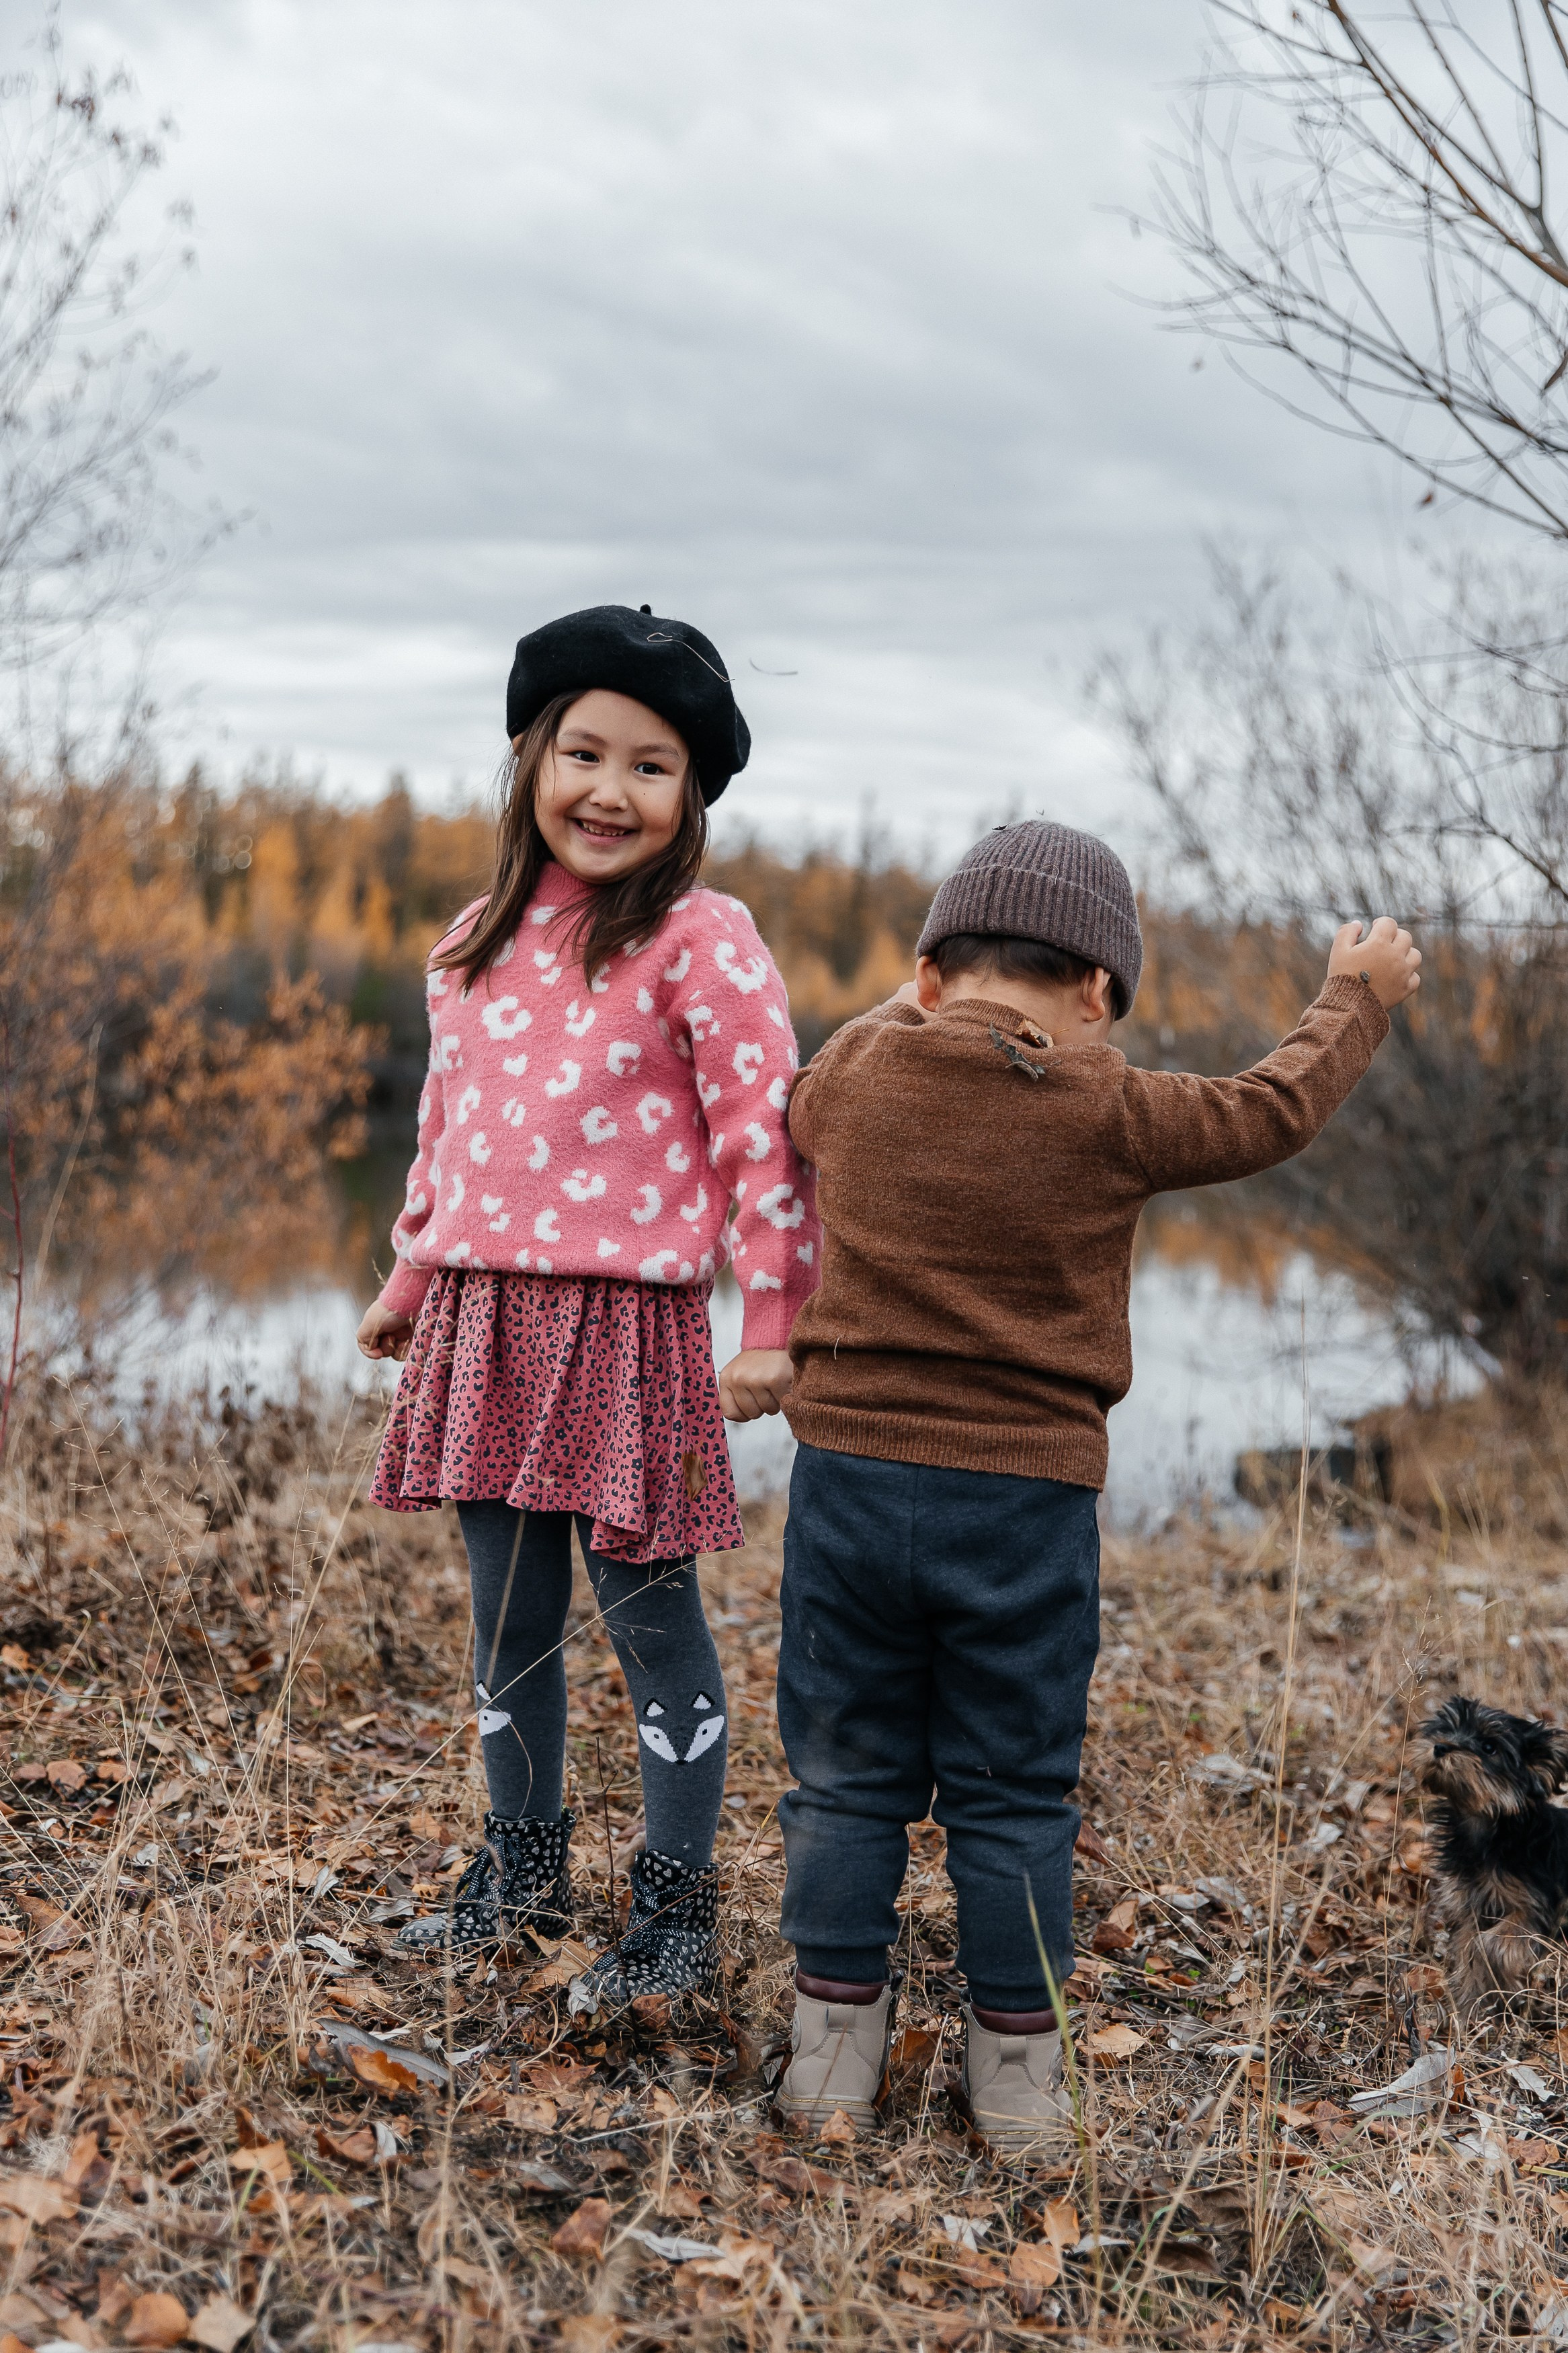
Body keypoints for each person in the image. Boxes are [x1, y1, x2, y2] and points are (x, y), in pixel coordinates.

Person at [771, 820, 1419, 2151]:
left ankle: (830, 2058)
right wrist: (1353, 998)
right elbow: (1272, 1108)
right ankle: (1017, 2078)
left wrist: (914, 1004)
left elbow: (798, 1102)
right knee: (1012, 1791)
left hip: (847, 1482)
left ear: (928, 973)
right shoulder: (1112, 1106)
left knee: (844, 1779)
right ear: (1098, 993)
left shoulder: (855, 1073)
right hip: (1022, 1500)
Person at [358, 603, 818, 2002]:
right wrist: (412, 1274)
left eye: (650, 766)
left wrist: (775, 1325)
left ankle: (676, 1913)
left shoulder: (701, 938)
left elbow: (765, 1142)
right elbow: (449, 1137)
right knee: (508, 1621)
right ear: (533, 760)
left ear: (691, 794)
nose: (610, 791)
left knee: (650, 1625)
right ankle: (522, 1873)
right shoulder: (473, 940)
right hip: (484, 1320)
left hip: (630, 1331)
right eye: (584, 754)